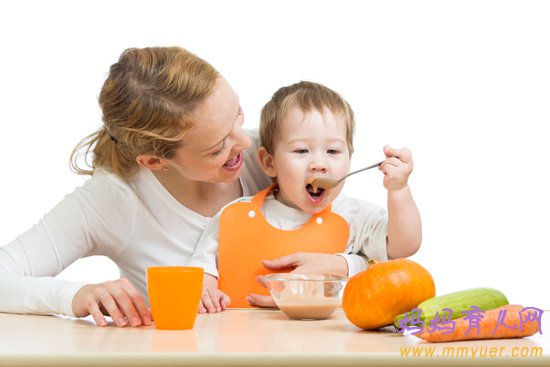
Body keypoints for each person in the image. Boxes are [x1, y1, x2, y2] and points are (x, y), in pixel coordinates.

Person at [0, 46, 274, 327]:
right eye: (218, 148)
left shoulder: (278, 158)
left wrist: (323, 269)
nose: (245, 142)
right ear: (155, 161)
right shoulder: (116, 198)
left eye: (238, 114)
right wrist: (77, 295)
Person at [189, 81, 422, 313]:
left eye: (333, 151)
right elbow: (201, 270)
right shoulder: (233, 215)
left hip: (326, 344)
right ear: (269, 163)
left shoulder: (354, 216)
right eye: (301, 151)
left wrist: (399, 190)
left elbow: (403, 246)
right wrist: (205, 286)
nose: (319, 164)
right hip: (242, 343)